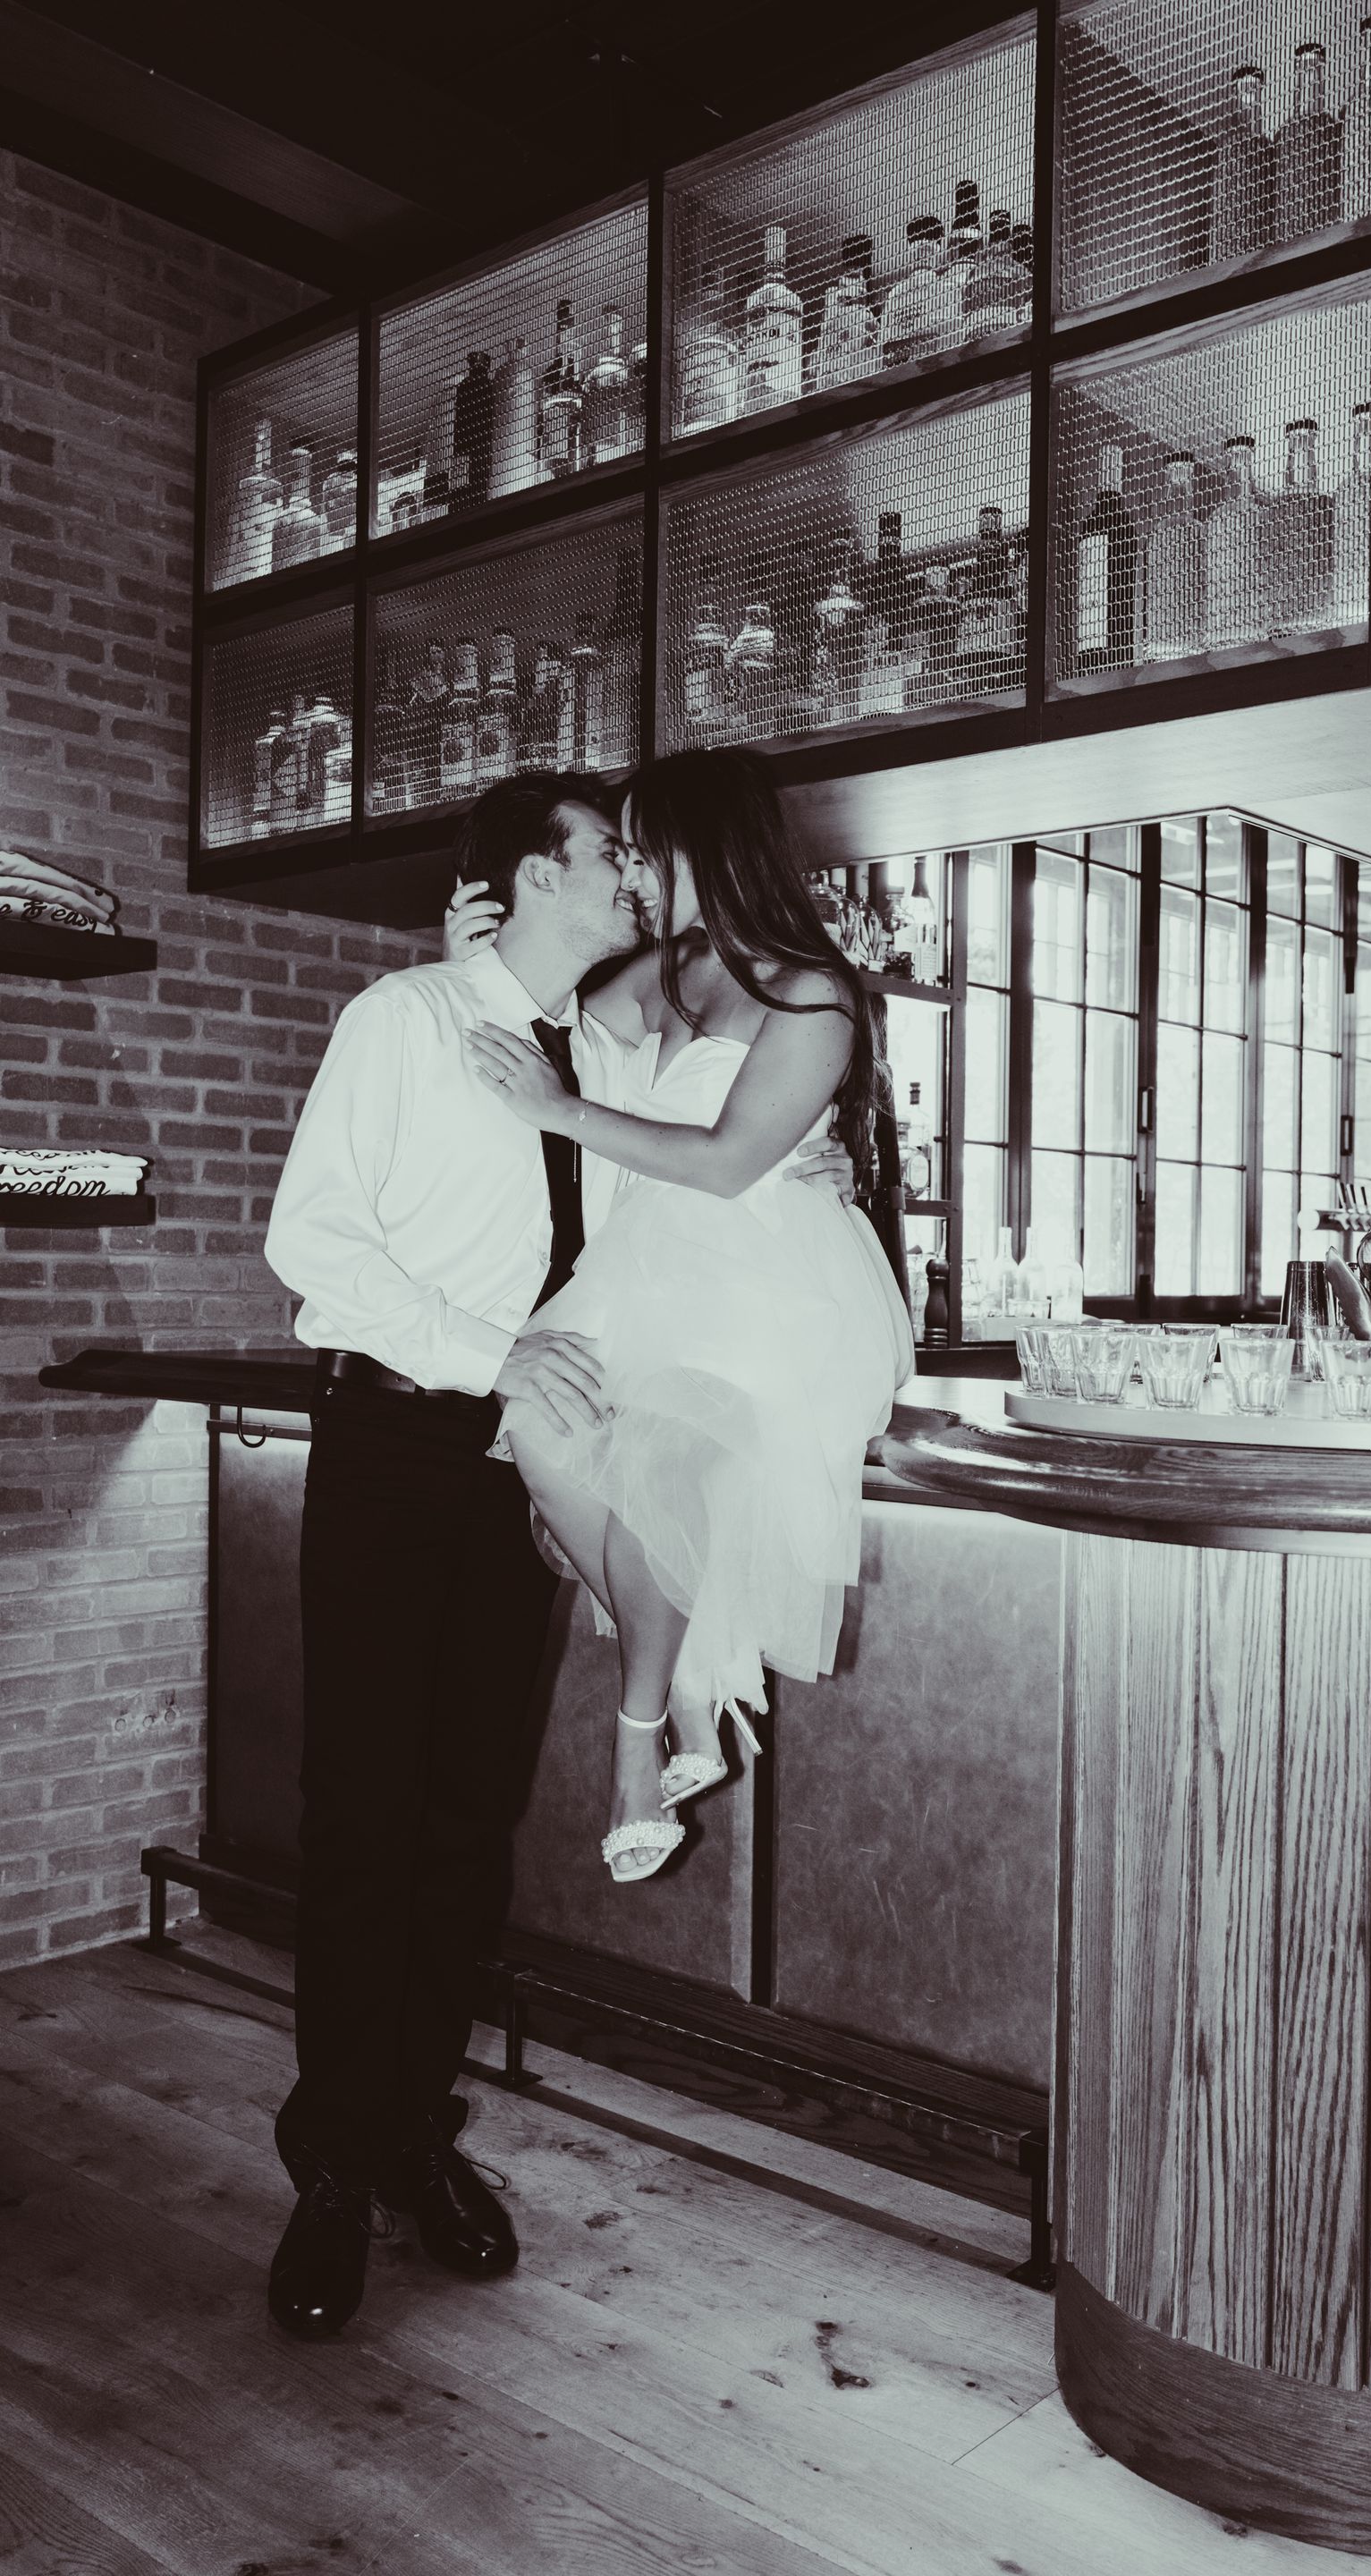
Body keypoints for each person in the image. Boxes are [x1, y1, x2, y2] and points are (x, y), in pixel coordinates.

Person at [260, 770, 853, 2342]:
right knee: (363, 1814)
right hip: (397, 1446)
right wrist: (491, 1357)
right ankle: (331, 2165)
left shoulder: (603, 1048)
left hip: (521, 1460)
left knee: (468, 1817)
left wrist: (807, 1171)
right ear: (535, 876)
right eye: (607, 857)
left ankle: (411, 2136)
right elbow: (311, 1243)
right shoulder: (400, 1021)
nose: (633, 879)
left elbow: (691, 1192)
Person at [464, 748, 913, 1884]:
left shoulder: (817, 995)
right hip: (649, 1270)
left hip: (764, 1286)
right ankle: (699, 1686)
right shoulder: (672, 969)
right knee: (538, 1427)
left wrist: (559, 1111)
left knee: (661, 1466)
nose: (630, 873)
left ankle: (636, 1742)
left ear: (702, 847)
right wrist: (473, 960)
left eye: (641, 851)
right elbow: (552, 1009)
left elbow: (723, 1161)